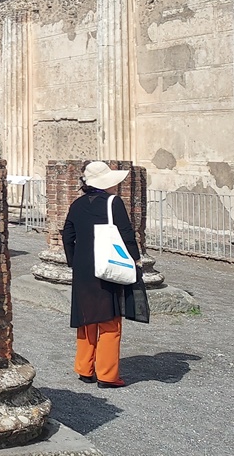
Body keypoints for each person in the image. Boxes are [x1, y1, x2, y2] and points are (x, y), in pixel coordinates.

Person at [62, 161, 149, 389]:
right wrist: (135, 258)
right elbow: (126, 233)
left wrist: (74, 261)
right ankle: (107, 375)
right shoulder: (114, 203)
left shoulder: (77, 204)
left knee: (87, 317)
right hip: (106, 264)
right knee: (110, 319)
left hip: (83, 267)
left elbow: (67, 235)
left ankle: (84, 368)